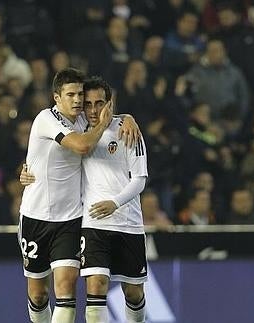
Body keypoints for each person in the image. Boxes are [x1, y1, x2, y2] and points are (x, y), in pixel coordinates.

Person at [18, 68, 140, 323]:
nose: (77, 101)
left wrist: (127, 117)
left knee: (65, 289)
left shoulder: (84, 121)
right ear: (56, 98)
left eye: (79, 95)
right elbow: (83, 145)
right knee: (39, 295)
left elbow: (105, 116)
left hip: (72, 219)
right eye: (70, 94)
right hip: (35, 216)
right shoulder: (46, 119)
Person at [80, 76, 148, 323]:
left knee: (133, 292)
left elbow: (139, 180)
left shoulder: (127, 130)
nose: (94, 109)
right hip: (94, 223)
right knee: (96, 285)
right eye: (88, 104)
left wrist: (115, 203)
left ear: (110, 103)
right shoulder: (77, 132)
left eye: (100, 102)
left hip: (128, 222)